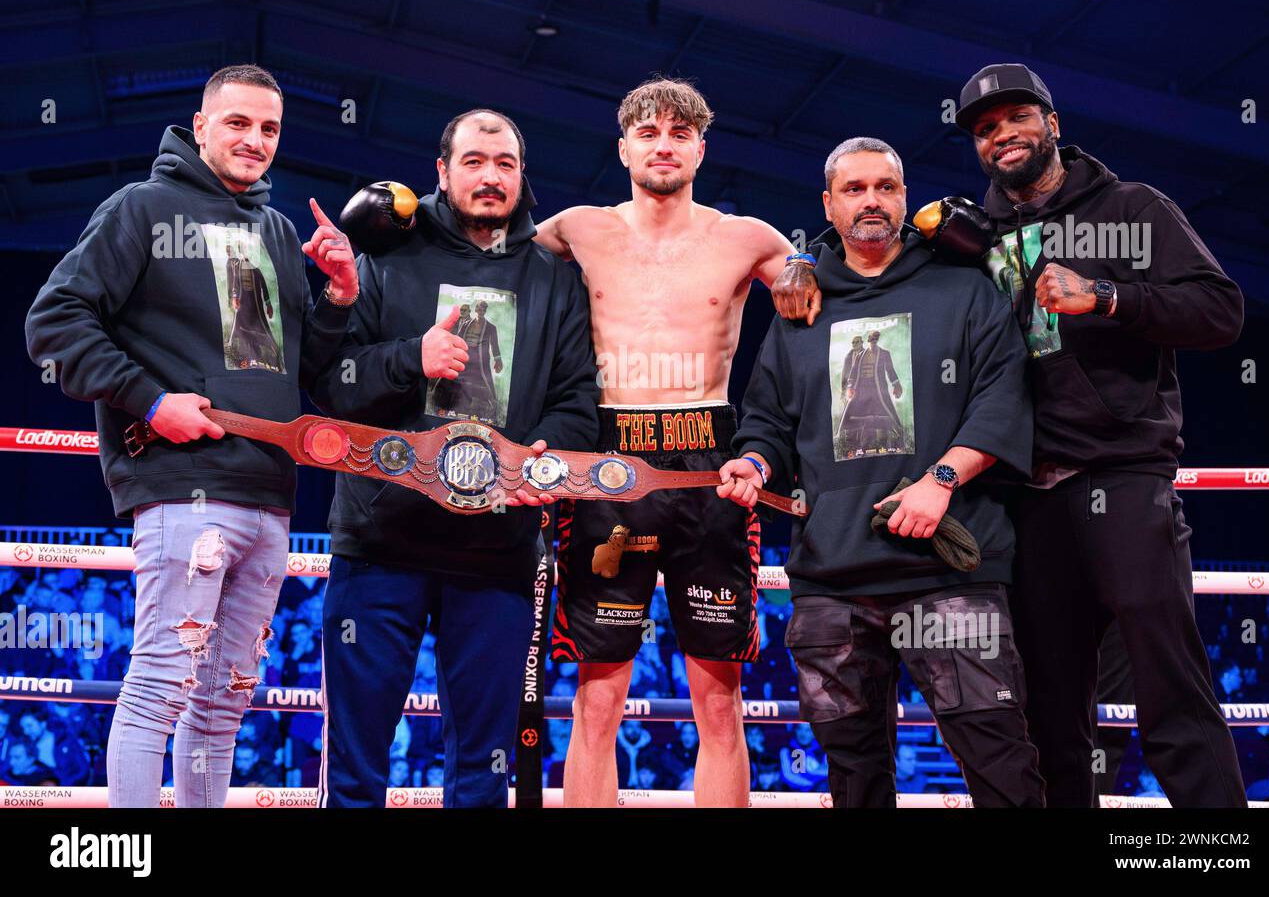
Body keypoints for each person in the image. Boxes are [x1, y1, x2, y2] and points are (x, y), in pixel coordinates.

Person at [25, 64, 358, 807]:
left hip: (270, 495)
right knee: (158, 692)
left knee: (222, 705)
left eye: (269, 128)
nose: (255, 140)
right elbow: (51, 323)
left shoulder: (275, 230)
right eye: (238, 123)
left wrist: (335, 298)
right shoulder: (142, 208)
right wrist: (148, 401)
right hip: (183, 488)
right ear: (200, 126)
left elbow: (304, 372)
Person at [718, 137, 1044, 807]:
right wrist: (752, 465)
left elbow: (1003, 394)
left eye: (886, 187)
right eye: (855, 188)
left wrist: (942, 481)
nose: (871, 200)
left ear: (904, 196)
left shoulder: (963, 288)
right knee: (855, 778)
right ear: (828, 205)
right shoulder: (799, 307)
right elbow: (768, 419)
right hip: (832, 579)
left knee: (999, 758)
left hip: (948, 569)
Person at [956, 62, 1248, 807]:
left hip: (1122, 480)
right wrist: (800, 259)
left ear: (1052, 125)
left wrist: (1110, 297)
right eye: (986, 129)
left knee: (1171, 688)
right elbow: (867, 244)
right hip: (1025, 498)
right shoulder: (972, 236)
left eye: (1017, 118)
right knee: (1050, 711)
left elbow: (1220, 311)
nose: (1002, 136)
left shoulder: (1132, 208)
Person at [534, 76, 820, 808]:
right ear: (624, 146)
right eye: (649, 133)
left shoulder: (748, 237)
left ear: (701, 147)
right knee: (597, 701)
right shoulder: (578, 228)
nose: (664, 146)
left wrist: (806, 271)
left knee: (717, 703)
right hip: (607, 467)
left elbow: (825, 288)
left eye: (679, 133)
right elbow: (488, 269)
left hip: (712, 472)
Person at [309, 108, 599, 808]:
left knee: (484, 773)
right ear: (442, 171)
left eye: (505, 164)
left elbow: (578, 402)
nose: (491, 177)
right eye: (474, 162)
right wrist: (413, 358)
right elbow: (330, 388)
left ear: (522, 176)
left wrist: (537, 460)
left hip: (497, 553)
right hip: (381, 544)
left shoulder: (554, 278)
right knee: (354, 766)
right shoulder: (384, 255)